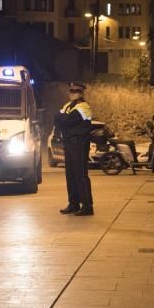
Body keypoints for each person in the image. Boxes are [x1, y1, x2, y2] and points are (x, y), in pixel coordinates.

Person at [56, 82, 94, 216]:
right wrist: (64, 119)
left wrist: (64, 119)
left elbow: (69, 120)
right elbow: (57, 119)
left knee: (80, 175)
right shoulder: (68, 106)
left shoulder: (84, 107)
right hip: (69, 144)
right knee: (70, 175)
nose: (72, 94)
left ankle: (87, 206)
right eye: (71, 92)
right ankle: (73, 203)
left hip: (80, 144)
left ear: (81, 94)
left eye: (75, 92)